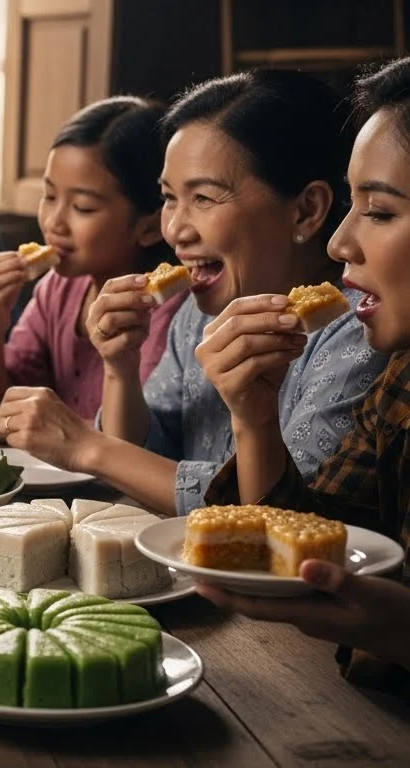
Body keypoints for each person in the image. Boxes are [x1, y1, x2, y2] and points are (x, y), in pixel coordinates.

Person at [0, 69, 388, 515]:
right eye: (168, 198)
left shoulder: (361, 328)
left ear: (306, 210)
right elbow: (144, 455)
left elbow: (286, 514)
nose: (174, 229)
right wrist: (119, 367)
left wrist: (87, 447)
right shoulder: (198, 313)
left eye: (203, 198)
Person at [195, 57, 410, 686]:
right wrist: (255, 419)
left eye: (380, 211)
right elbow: (315, 543)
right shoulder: (399, 382)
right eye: (353, 205)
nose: (341, 244)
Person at [0, 97, 183, 436]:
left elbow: (144, 440)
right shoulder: (58, 289)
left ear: (149, 227)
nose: (54, 222)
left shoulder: (171, 311)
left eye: (83, 207)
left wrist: (31, 425)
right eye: (49, 196)